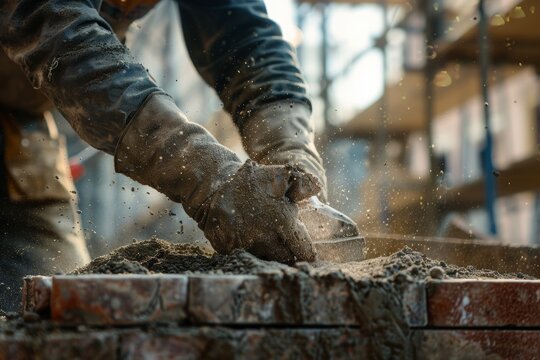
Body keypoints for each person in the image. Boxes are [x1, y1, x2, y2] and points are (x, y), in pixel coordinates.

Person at [0, 0, 327, 311]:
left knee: (58, 307)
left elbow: (247, 39)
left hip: (19, 132)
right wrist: (209, 176)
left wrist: (292, 154)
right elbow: (55, 26)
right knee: (32, 313)